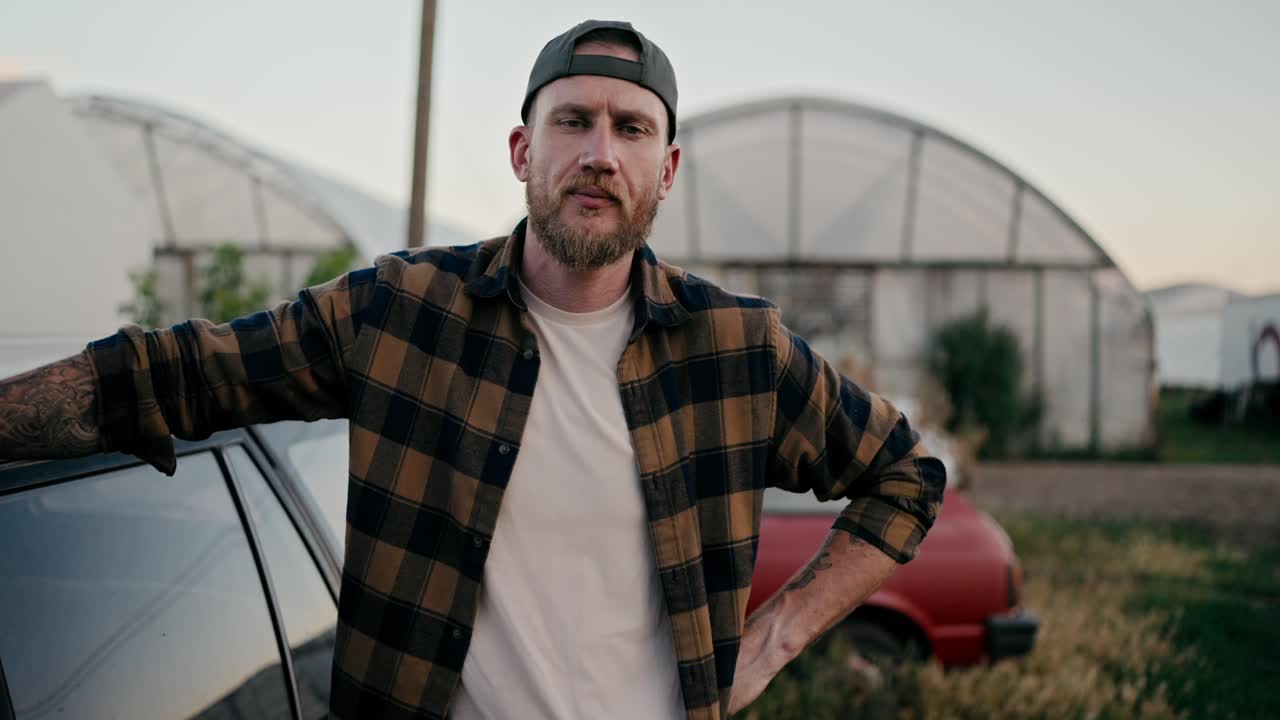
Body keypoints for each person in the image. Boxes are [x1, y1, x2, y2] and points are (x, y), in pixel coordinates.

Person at [0, 19, 945, 720]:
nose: (599, 154)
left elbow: (904, 476)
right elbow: (171, 376)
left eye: (631, 129)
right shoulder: (403, 314)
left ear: (669, 169)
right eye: (573, 121)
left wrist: (772, 642)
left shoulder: (737, 352)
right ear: (523, 150)